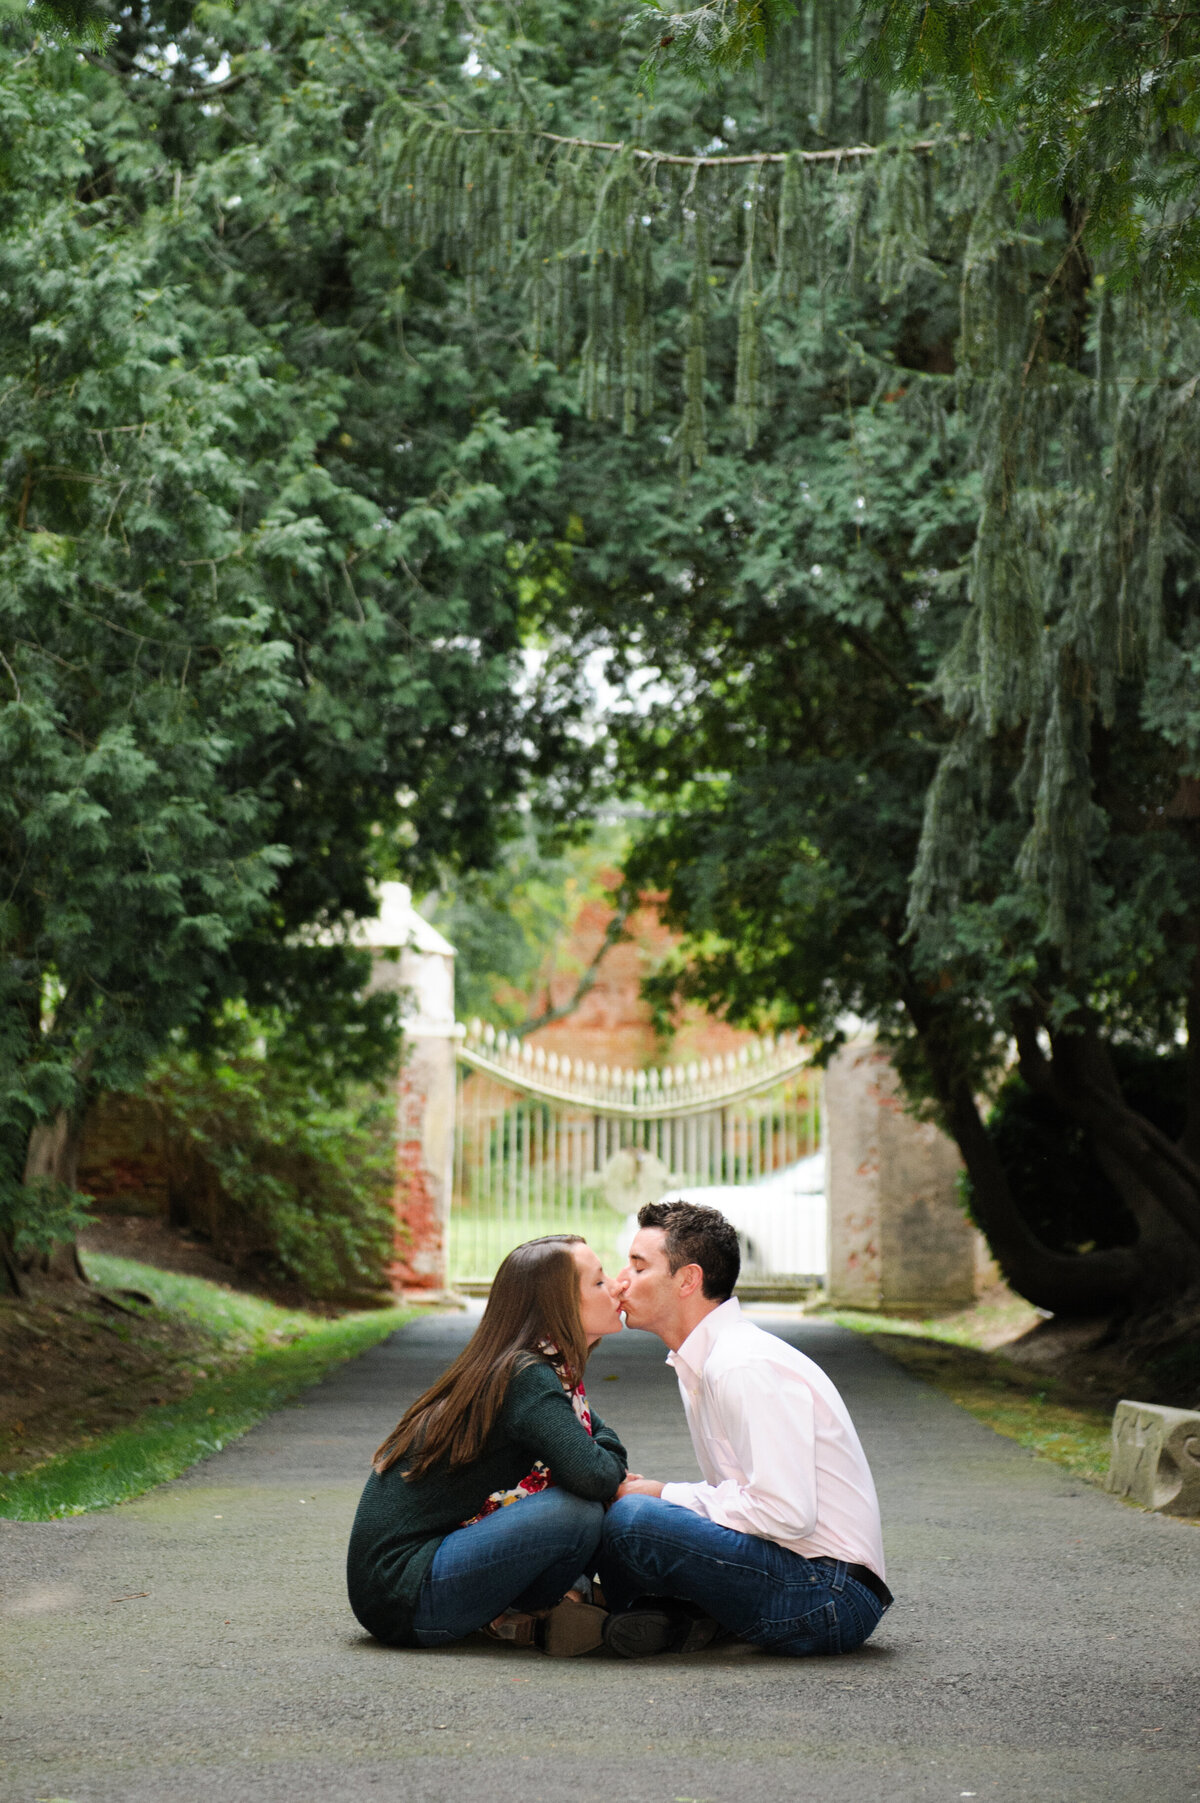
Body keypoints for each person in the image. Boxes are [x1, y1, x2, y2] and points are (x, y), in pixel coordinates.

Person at [599, 1199, 893, 1659]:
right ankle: (671, 1618)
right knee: (623, 1514)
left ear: (688, 1280)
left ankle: (647, 1614)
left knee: (635, 1522)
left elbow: (787, 1513)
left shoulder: (741, 1364)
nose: (620, 1281)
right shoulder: (703, 1361)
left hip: (831, 1595)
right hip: (795, 1568)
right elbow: (744, 1502)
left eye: (638, 1267)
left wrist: (664, 1495)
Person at [347, 1234, 626, 1656]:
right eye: (600, 1282)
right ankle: (554, 1605)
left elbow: (594, 1447)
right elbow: (595, 1473)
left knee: (582, 1499)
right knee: (578, 1510)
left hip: (415, 1581)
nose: (618, 1287)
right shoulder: (526, 1375)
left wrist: (600, 1456)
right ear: (561, 1305)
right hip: (403, 1595)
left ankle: (564, 1605)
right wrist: (604, 1463)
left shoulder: (541, 1370)